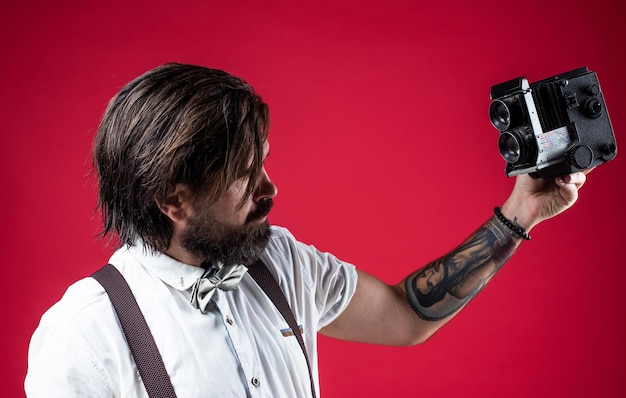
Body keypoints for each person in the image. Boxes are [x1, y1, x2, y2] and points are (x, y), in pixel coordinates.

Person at [24, 63, 588, 397]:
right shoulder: (84, 337)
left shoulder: (279, 261)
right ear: (173, 198)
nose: (271, 190)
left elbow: (406, 316)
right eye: (246, 178)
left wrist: (521, 213)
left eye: (264, 163)